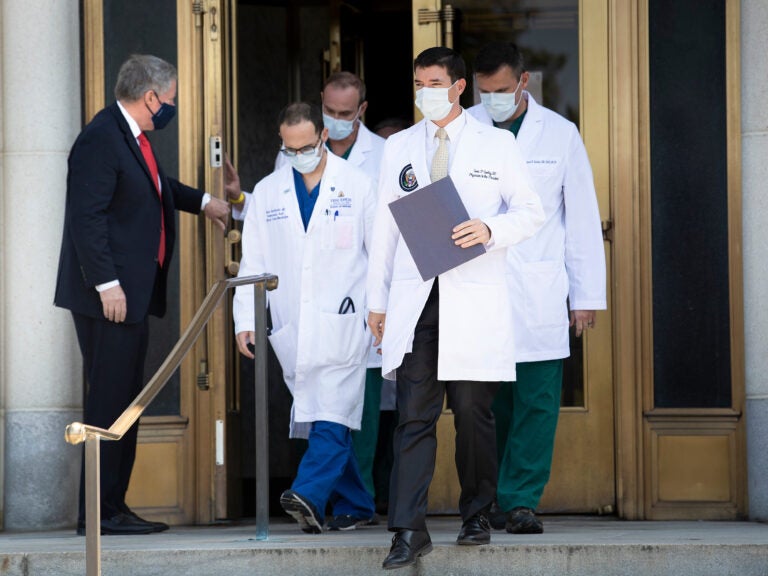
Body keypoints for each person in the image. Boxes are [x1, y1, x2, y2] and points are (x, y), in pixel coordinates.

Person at [366, 46, 545, 570]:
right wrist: (377, 303)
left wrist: (492, 229)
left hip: (474, 297)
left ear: (459, 86)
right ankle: (407, 529)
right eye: (420, 82)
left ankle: (476, 512)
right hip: (416, 298)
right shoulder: (398, 147)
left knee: (472, 413)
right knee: (414, 415)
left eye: (436, 82)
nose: (426, 91)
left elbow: (530, 212)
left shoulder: (495, 144)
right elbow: (384, 231)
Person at [54, 54, 230, 536]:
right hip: (108, 298)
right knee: (109, 404)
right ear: (150, 96)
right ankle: (100, 514)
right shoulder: (101, 138)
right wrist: (106, 284)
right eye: (170, 100)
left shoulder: (129, 137)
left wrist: (204, 202)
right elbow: (85, 217)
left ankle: (114, 504)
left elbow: (155, 187)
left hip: (128, 294)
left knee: (124, 400)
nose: (170, 107)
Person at [226, 72, 390, 530]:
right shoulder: (268, 193)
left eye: (306, 145)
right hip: (293, 325)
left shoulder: (357, 184)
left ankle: (308, 492)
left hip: (346, 319)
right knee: (318, 411)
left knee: (332, 411)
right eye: (289, 149)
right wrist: (246, 319)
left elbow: (378, 255)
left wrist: (380, 308)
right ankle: (356, 503)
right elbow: (251, 262)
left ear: (321, 136)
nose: (299, 155)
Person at [468, 41, 607, 534]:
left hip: (541, 287)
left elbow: (582, 217)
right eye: (484, 92)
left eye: (502, 90)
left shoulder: (560, 134)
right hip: (478, 286)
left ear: (523, 82)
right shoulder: (465, 130)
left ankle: (522, 499)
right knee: (491, 401)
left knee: (538, 399)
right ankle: (495, 498)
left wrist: (586, 295)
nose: (493, 101)